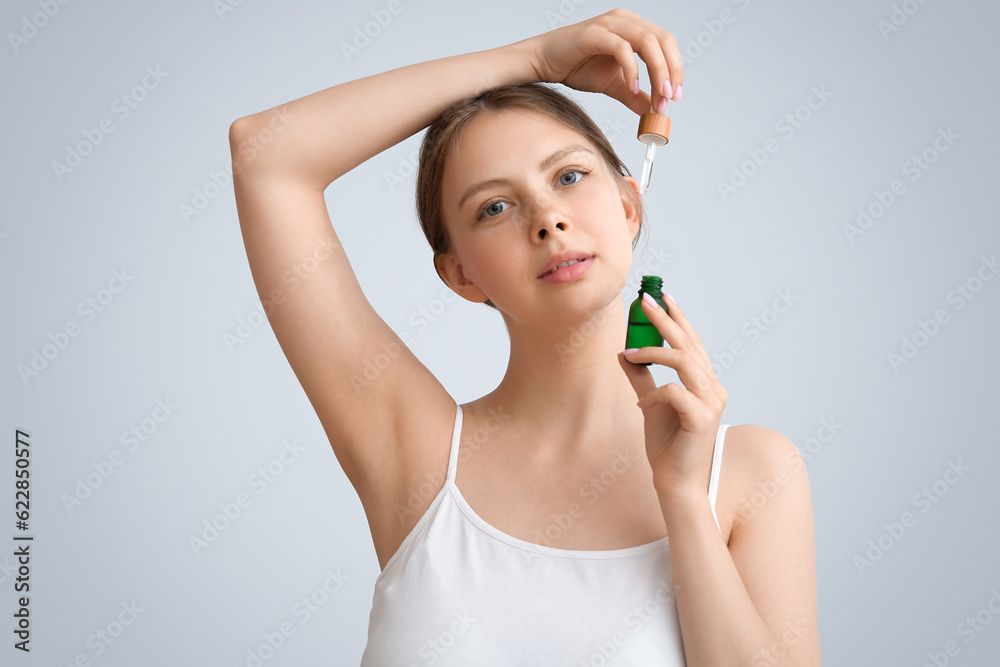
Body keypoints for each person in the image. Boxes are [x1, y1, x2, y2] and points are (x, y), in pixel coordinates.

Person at [228, 7, 820, 665]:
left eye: (569, 175)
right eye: (495, 207)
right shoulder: (412, 451)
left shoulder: (749, 473)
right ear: (460, 274)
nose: (548, 219)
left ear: (628, 207)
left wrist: (682, 500)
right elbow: (266, 154)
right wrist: (534, 60)